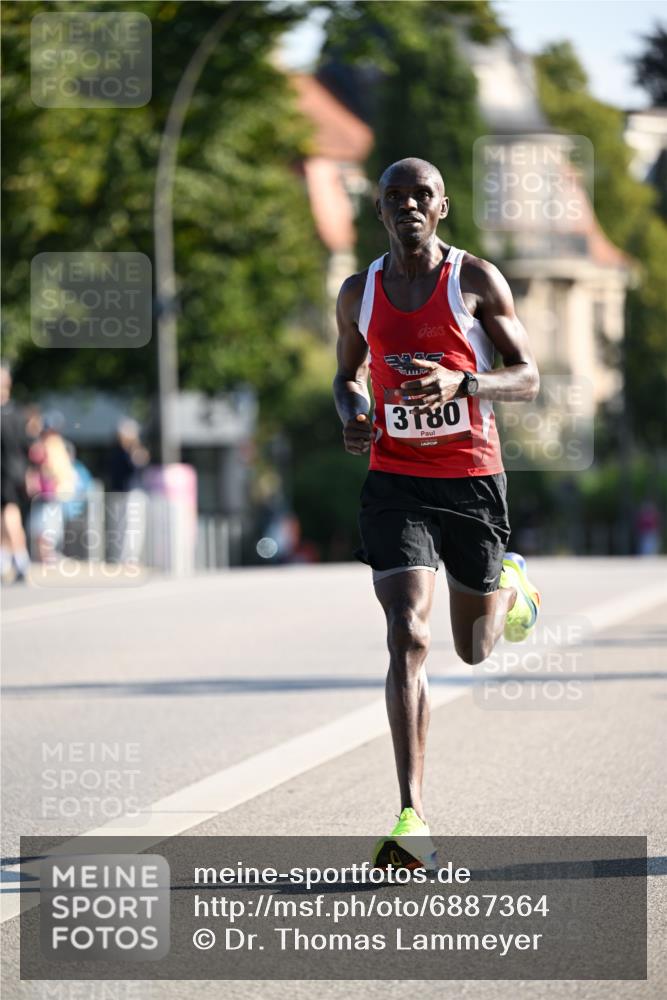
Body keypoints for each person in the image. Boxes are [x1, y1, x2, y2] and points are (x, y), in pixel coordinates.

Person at [333, 158, 541, 870]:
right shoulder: (358, 291)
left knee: (475, 646)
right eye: (395, 197)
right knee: (405, 634)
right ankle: (412, 812)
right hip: (394, 478)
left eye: (421, 195)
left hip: (471, 478)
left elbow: (528, 377)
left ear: (441, 207)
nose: (408, 206)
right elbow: (345, 376)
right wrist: (353, 414)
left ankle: (510, 583)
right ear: (379, 210)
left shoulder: (474, 281)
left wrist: (465, 380)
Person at [0, 366, 31, 582]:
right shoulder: (19, 414)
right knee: (4, 518)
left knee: (10, 515)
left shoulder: (12, 415)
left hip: (7, 473)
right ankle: (5, 560)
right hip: (14, 471)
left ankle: (21, 560)